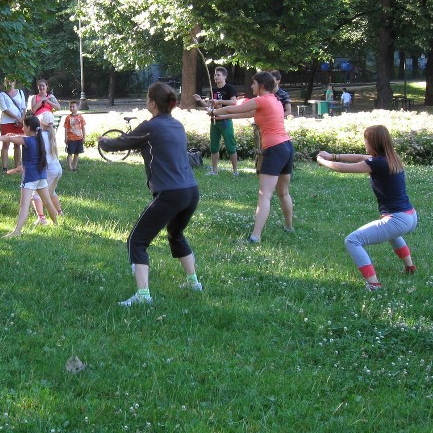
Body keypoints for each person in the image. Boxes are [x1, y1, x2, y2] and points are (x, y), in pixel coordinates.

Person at [99, 82, 203, 307]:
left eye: (147, 98)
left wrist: (102, 142)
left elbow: (122, 143)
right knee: (176, 234)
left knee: (137, 240)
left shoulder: (150, 126)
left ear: (153, 103)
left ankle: (143, 296)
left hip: (171, 194)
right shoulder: (177, 125)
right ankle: (193, 282)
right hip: (191, 192)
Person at [316, 125, 417, 290]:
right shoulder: (392, 158)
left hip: (398, 219)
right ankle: (410, 267)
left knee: (352, 240)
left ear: (373, 142)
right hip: (410, 216)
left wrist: (323, 161)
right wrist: (333, 155)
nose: (364, 143)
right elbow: (359, 157)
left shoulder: (377, 163)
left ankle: (374, 284)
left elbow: (343, 169)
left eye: (366, 140)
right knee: (392, 233)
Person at [212, 71, 294, 242]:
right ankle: (289, 227)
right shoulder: (275, 101)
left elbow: (236, 107)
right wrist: (222, 115)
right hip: (286, 147)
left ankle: (255, 237)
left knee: (264, 194)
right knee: (283, 193)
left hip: (274, 149)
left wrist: (215, 109)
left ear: (262, 85)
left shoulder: (261, 100)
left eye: (254, 83)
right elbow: (246, 114)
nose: (251, 86)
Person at [0, 116, 59, 237]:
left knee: (24, 205)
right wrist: (14, 135)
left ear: (29, 127)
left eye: (24, 126)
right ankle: (57, 224)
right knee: (47, 202)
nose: (22, 127)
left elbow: (8, 138)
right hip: (41, 176)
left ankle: (16, 232)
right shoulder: (39, 138)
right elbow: (18, 136)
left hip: (30, 178)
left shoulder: (27, 140)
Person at [192, 67, 239, 177]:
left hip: (225, 121)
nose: (216, 77)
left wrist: (220, 101)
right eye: (215, 75)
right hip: (214, 121)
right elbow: (209, 106)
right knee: (214, 146)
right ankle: (214, 171)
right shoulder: (214, 90)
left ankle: (235, 171)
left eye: (218, 75)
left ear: (224, 77)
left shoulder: (229, 88)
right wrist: (200, 100)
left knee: (230, 146)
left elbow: (234, 102)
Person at [0, 78, 26, 171]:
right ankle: (4, 167)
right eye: (7, 81)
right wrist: (17, 118)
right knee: (6, 144)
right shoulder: (2, 94)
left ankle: (17, 166)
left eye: (11, 81)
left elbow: (23, 108)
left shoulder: (21, 92)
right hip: (6, 122)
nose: (9, 83)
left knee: (17, 145)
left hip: (18, 123)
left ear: (15, 82)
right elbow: (5, 109)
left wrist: (21, 119)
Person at [63, 100, 86, 171]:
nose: (72, 108)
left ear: (77, 107)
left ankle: (74, 166)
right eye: (70, 107)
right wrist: (66, 137)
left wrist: (84, 137)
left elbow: (83, 127)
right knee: (70, 153)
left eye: (73, 107)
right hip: (71, 139)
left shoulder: (81, 117)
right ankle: (70, 166)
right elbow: (66, 128)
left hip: (79, 138)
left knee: (77, 153)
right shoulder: (68, 118)